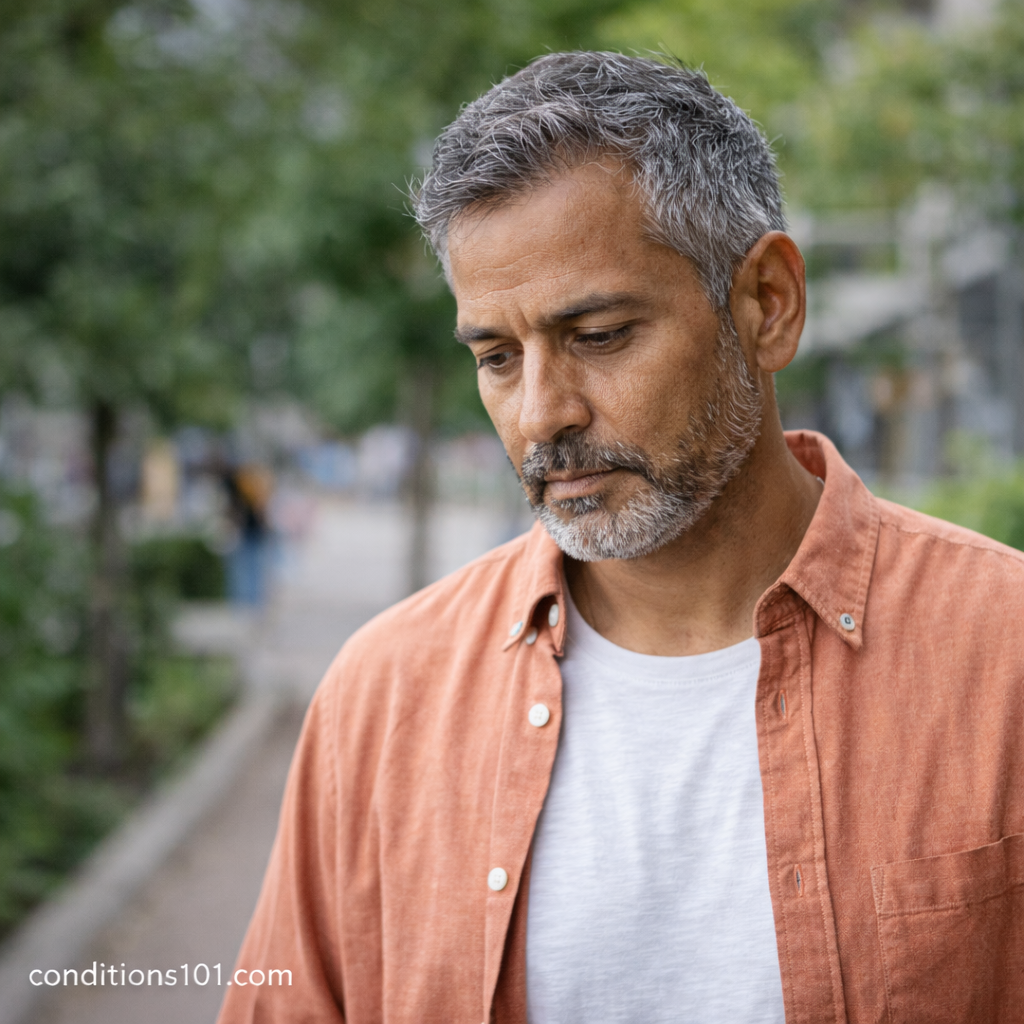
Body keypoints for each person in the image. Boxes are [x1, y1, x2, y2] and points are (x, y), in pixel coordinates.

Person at [218, 53, 1024, 1024]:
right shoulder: (383, 699)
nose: (540, 414)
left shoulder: (1003, 659)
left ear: (766, 302)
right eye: (497, 357)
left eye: (598, 334)